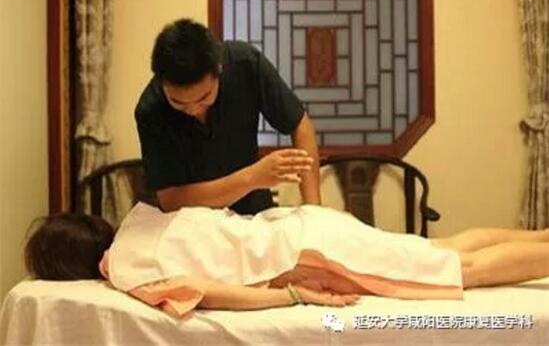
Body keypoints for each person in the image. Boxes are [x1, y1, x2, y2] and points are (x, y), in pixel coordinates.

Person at [25, 204, 549, 318]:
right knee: (439, 249)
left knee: (460, 271)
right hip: (305, 225)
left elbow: (211, 295)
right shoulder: (143, 220)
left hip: (312, 252)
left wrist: (295, 294)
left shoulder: (128, 271)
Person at [135, 18, 320, 214]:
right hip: (191, 221)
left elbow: (299, 123)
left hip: (254, 213)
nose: (193, 110)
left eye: (204, 98)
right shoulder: (150, 109)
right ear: (161, 82)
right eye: (178, 103)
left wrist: (314, 212)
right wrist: (252, 177)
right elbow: (171, 200)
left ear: (219, 69)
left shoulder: (245, 63)